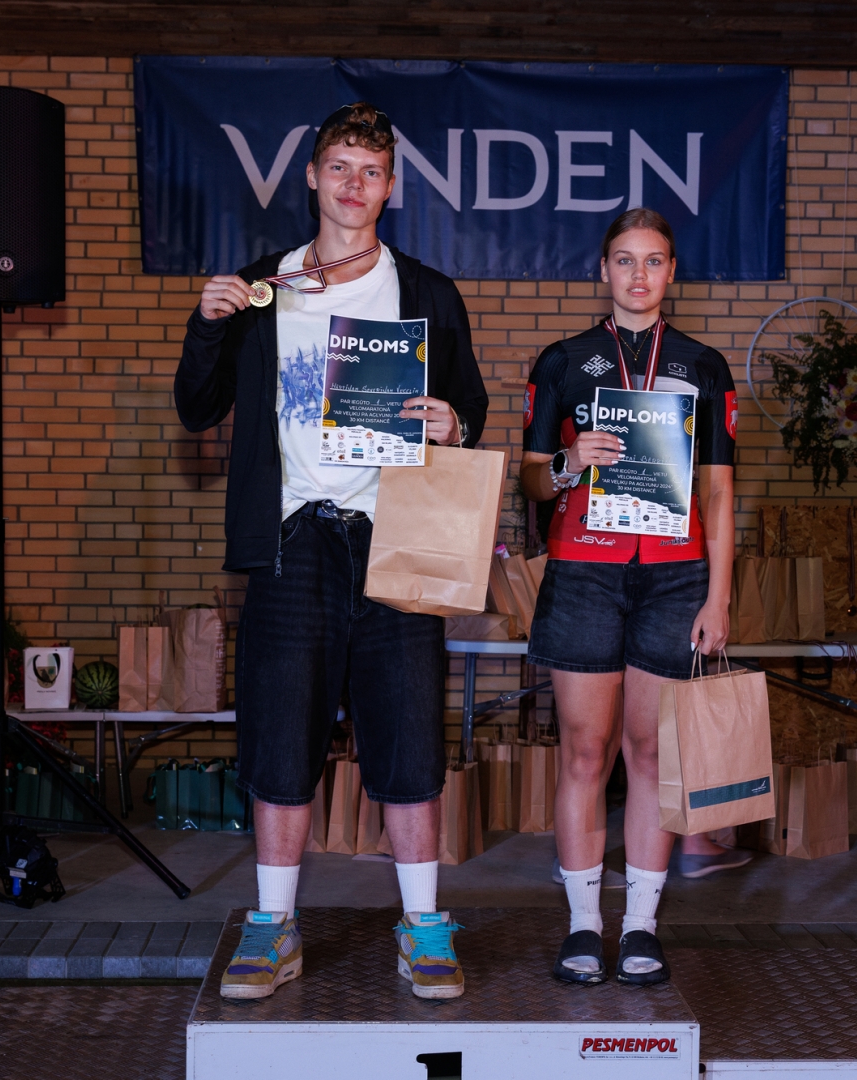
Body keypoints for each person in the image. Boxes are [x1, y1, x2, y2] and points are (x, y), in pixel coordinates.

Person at [174, 103, 488, 1000]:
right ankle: (272, 927)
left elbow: (469, 404)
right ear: (311, 177)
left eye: (372, 171)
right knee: (280, 737)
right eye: (340, 167)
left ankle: (424, 927)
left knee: (411, 735)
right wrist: (205, 323)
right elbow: (196, 408)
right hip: (290, 541)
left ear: (391, 188)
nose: (355, 184)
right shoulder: (258, 288)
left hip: (396, 537)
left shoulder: (427, 294)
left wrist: (454, 422)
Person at [519, 208, 740, 986]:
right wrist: (568, 461)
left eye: (653, 261)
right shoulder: (564, 361)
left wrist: (719, 595)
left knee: (651, 753)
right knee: (586, 751)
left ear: (671, 272)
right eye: (624, 259)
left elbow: (720, 489)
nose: (638, 274)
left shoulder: (704, 365)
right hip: (586, 571)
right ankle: (583, 926)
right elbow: (530, 478)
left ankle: (641, 926)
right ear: (603, 269)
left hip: (675, 576)